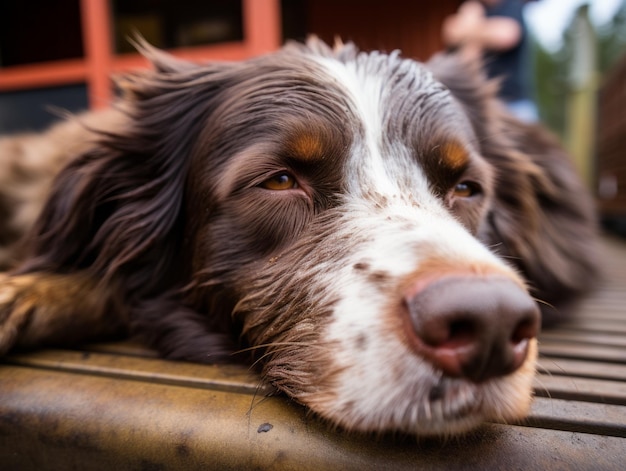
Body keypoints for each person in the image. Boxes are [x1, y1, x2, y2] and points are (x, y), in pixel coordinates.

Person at [442, 0, 539, 122]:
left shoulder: (511, 6)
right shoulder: (473, 7)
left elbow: (507, 36)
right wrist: (485, 33)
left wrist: (469, 28)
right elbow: (450, 32)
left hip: (514, 103)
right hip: (481, 106)